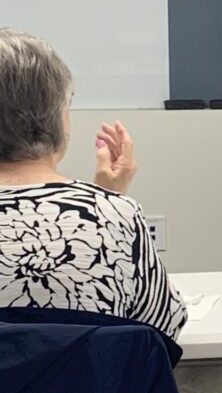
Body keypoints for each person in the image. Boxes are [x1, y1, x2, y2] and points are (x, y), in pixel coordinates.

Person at [0, 28, 187, 341]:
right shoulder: (116, 214)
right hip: (84, 392)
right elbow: (163, 329)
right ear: (58, 119)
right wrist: (108, 202)